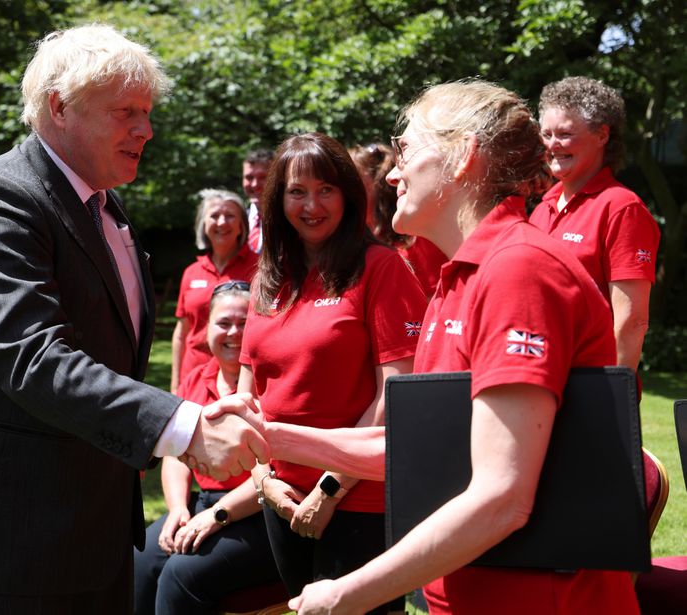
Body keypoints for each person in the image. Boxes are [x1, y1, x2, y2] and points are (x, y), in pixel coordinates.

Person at [0, 23, 267, 614]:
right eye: (126, 111)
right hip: (9, 536)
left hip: (91, 529)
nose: (146, 129)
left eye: (147, 112)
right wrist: (184, 427)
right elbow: (31, 356)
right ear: (59, 107)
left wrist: (186, 416)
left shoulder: (101, 200)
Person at [265, 80, 639, 614]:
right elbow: (420, 451)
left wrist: (348, 594)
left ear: (463, 156)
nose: (392, 174)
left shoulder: (518, 269)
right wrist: (270, 436)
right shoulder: (457, 277)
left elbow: (501, 497)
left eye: (408, 150)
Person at [239, 132, 427, 614]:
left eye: (326, 189)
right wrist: (266, 483)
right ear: (277, 201)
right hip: (281, 498)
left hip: (358, 500)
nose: (311, 204)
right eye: (296, 191)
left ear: (348, 194)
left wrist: (329, 489)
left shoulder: (381, 268)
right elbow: (249, 396)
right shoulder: (270, 274)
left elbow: (396, 394)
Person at [136, 281, 280, 614]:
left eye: (244, 323)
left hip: (258, 511)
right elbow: (175, 453)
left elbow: (274, 470)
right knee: (141, 559)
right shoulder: (195, 379)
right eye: (224, 323)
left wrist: (215, 518)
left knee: (181, 573)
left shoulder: (272, 381)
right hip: (202, 503)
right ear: (206, 330)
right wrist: (177, 510)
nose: (234, 332)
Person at [529, 76, 660, 371]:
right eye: (546, 134)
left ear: (602, 135)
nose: (552, 144)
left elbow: (632, 320)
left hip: (590, 391)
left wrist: (608, 393)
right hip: (539, 383)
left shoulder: (621, 208)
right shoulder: (541, 209)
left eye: (564, 133)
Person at [170, 189, 257, 393]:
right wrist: (175, 385)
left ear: (241, 225)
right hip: (193, 381)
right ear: (203, 224)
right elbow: (181, 333)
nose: (221, 222)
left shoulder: (261, 269)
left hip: (243, 380)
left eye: (230, 216)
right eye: (214, 216)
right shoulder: (191, 272)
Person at [350, 143, 447, 298]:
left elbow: (435, 299)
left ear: (379, 187)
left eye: (354, 183)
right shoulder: (356, 240)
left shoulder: (417, 237)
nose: (345, 192)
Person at [243, 149, 274, 253]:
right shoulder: (237, 221)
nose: (254, 184)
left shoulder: (292, 220)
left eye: (263, 177)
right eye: (249, 177)